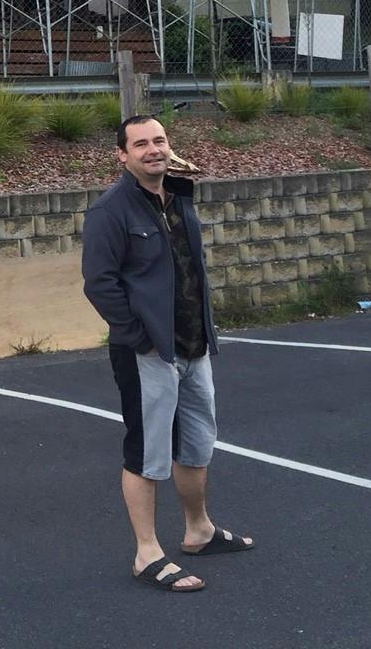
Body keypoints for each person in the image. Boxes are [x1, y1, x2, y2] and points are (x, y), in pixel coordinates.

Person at [81, 114, 254, 593]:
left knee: (197, 444)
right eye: (141, 144)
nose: (153, 149)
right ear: (122, 155)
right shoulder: (110, 210)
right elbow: (99, 283)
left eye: (159, 140)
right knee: (147, 453)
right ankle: (147, 553)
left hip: (194, 346)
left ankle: (198, 531)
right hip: (148, 354)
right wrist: (141, 337)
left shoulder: (178, 196)